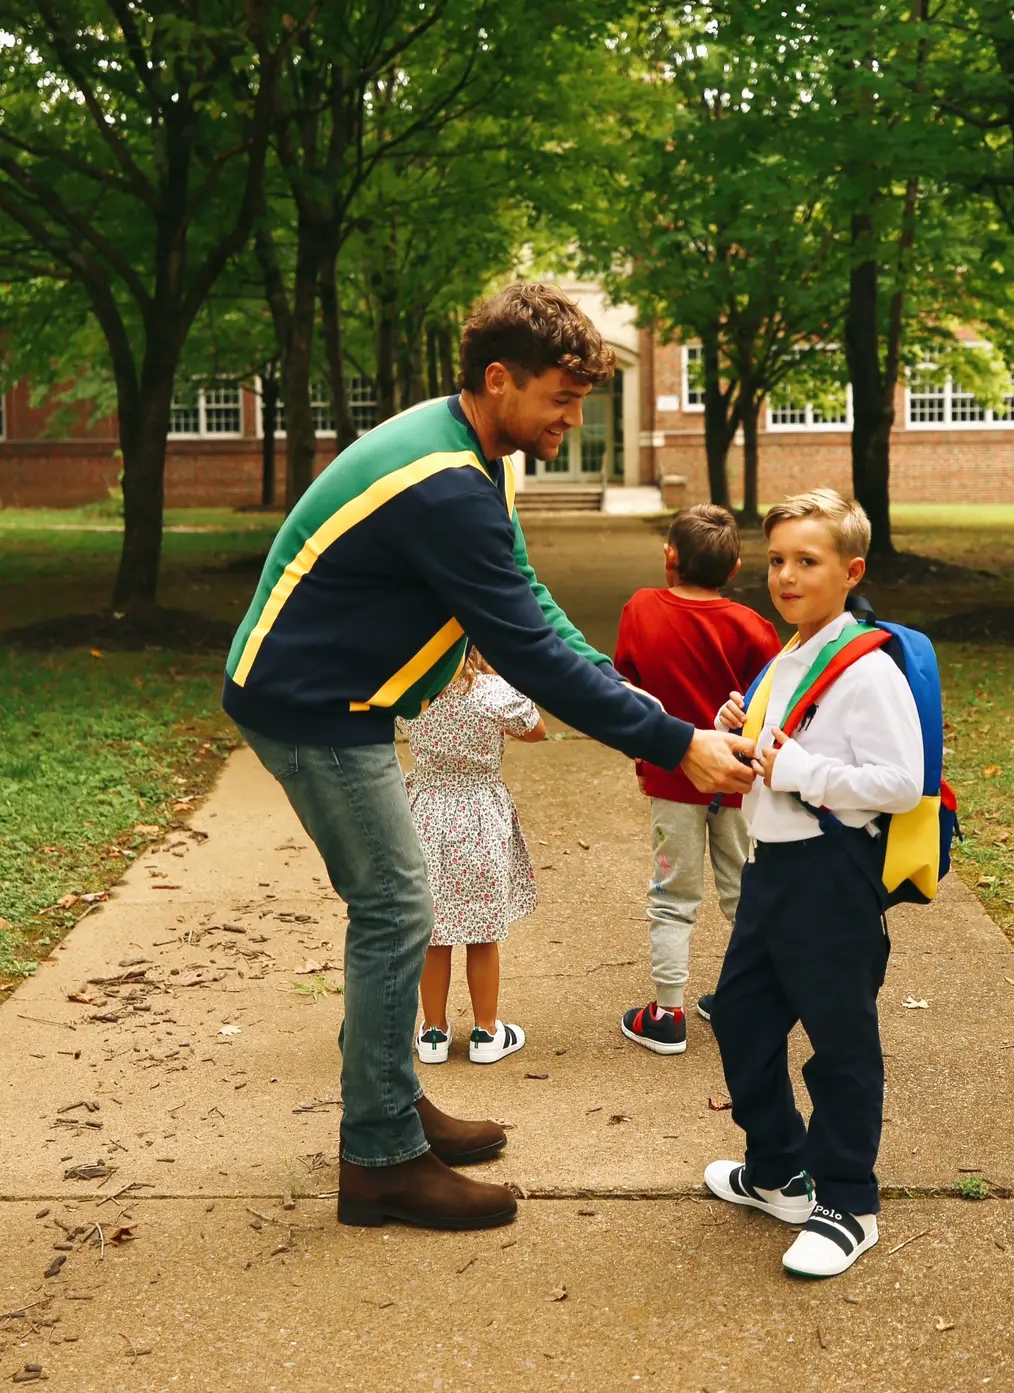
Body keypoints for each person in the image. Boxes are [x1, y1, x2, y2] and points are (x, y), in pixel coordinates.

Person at [223, 282, 756, 1234]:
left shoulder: (476, 452)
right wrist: (676, 741)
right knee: (395, 907)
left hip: (342, 696)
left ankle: (390, 1103)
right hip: (309, 704)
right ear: (500, 379)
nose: (572, 418)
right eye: (561, 397)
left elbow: (532, 605)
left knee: (400, 902)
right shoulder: (444, 486)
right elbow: (527, 652)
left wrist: (641, 702)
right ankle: (381, 1160)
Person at [703, 489, 923, 1279]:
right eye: (776, 561)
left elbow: (900, 780)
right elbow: (783, 739)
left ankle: (848, 1201)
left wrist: (797, 767)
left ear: (850, 569)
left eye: (807, 561)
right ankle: (777, 1171)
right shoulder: (790, 652)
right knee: (740, 1018)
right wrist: (747, 724)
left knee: (841, 1045)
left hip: (830, 879)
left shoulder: (867, 666)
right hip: (772, 870)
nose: (786, 576)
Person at [613, 505, 780, 1055]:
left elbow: (626, 692)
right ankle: (749, 1000)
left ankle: (666, 1014)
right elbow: (774, 707)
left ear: (670, 557)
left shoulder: (640, 609)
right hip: (737, 782)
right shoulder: (754, 628)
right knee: (744, 895)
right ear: (734, 568)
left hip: (672, 781)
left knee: (671, 896)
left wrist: (646, 758)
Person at [405, 649, 544, 1067]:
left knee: (434, 931)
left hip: (425, 811)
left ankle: (432, 1033)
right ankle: (486, 1032)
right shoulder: (494, 693)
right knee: (482, 932)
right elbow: (537, 730)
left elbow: (391, 720)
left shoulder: (413, 691)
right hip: (481, 815)